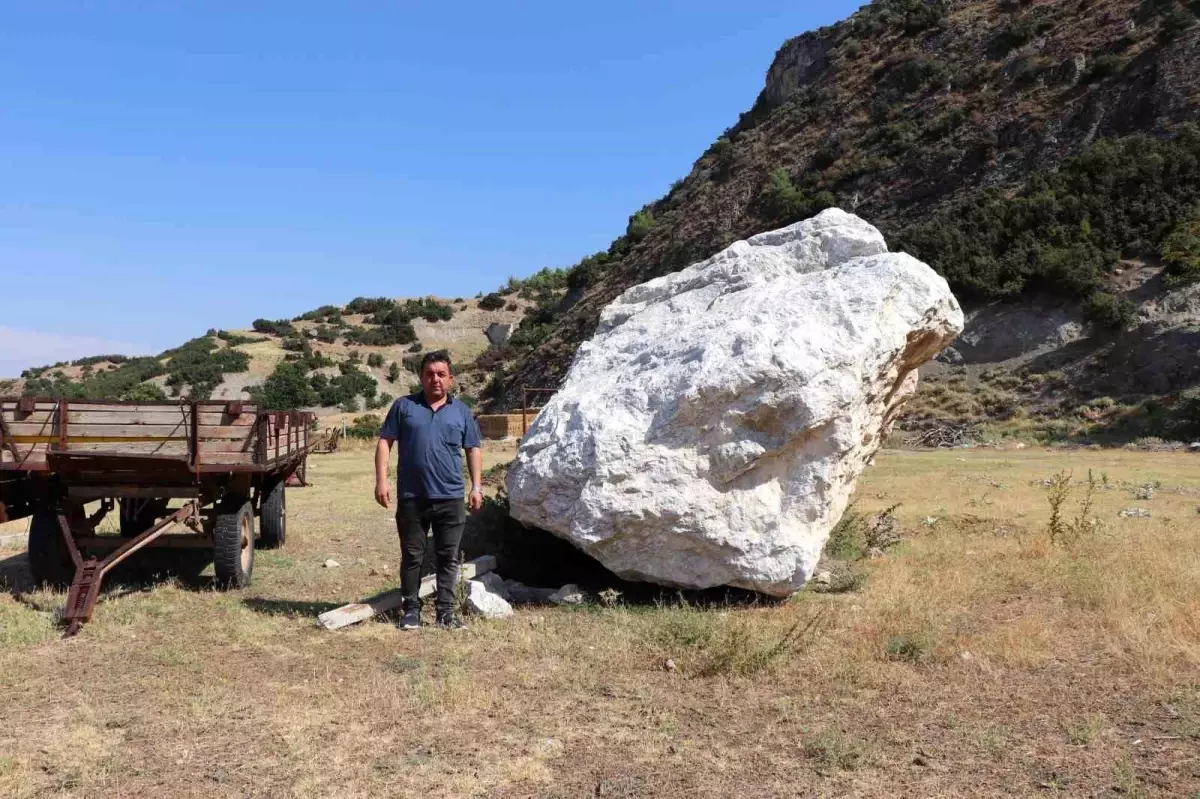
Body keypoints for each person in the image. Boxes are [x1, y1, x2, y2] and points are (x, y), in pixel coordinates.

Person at [375, 350, 483, 630]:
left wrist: (477, 486)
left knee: (448, 557)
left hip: (450, 497)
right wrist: (382, 480)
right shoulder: (403, 406)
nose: (435, 379)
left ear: (451, 379)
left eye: (441, 374)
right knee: (413, 556)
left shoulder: (462, 412)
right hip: (412, 497)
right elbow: (385, 442)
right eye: (429, 374)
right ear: (421, 377)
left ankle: (445, 612)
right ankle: (410, 610)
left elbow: (472, 448)